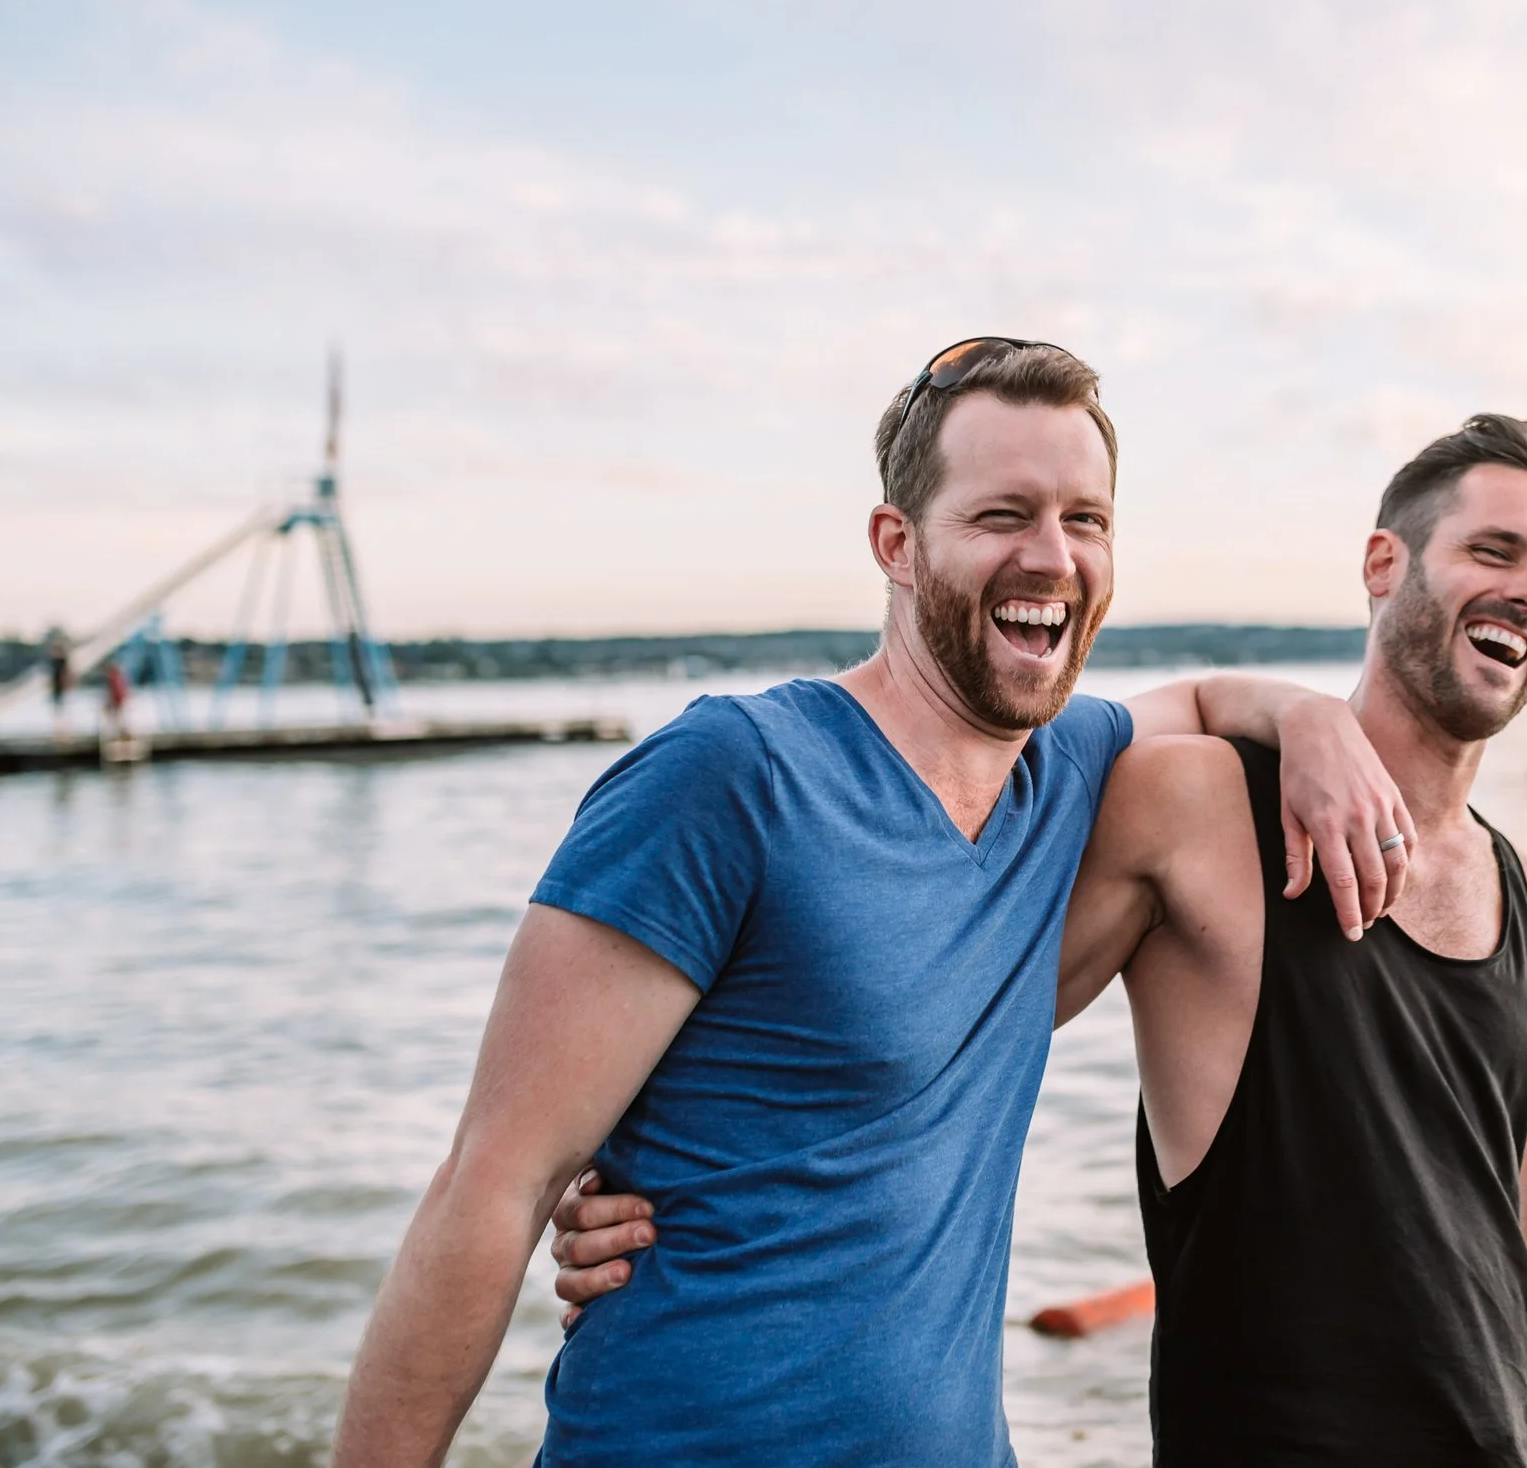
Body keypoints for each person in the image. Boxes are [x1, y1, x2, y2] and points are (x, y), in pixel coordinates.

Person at [332, 339, 1413, 1468]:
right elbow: (491, 1186)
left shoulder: (1065, 770)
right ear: (896, 544)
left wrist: (1310, 720)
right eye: (1004, 514)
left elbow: (1192, 695)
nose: (1052, 556)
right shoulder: (731, 772)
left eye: (1086, 520)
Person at [558, 415, 1527, 1466]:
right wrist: (673, 1158)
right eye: (1494, 550)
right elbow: (924, 1013)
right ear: (1385, 564)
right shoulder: (1190, 806)